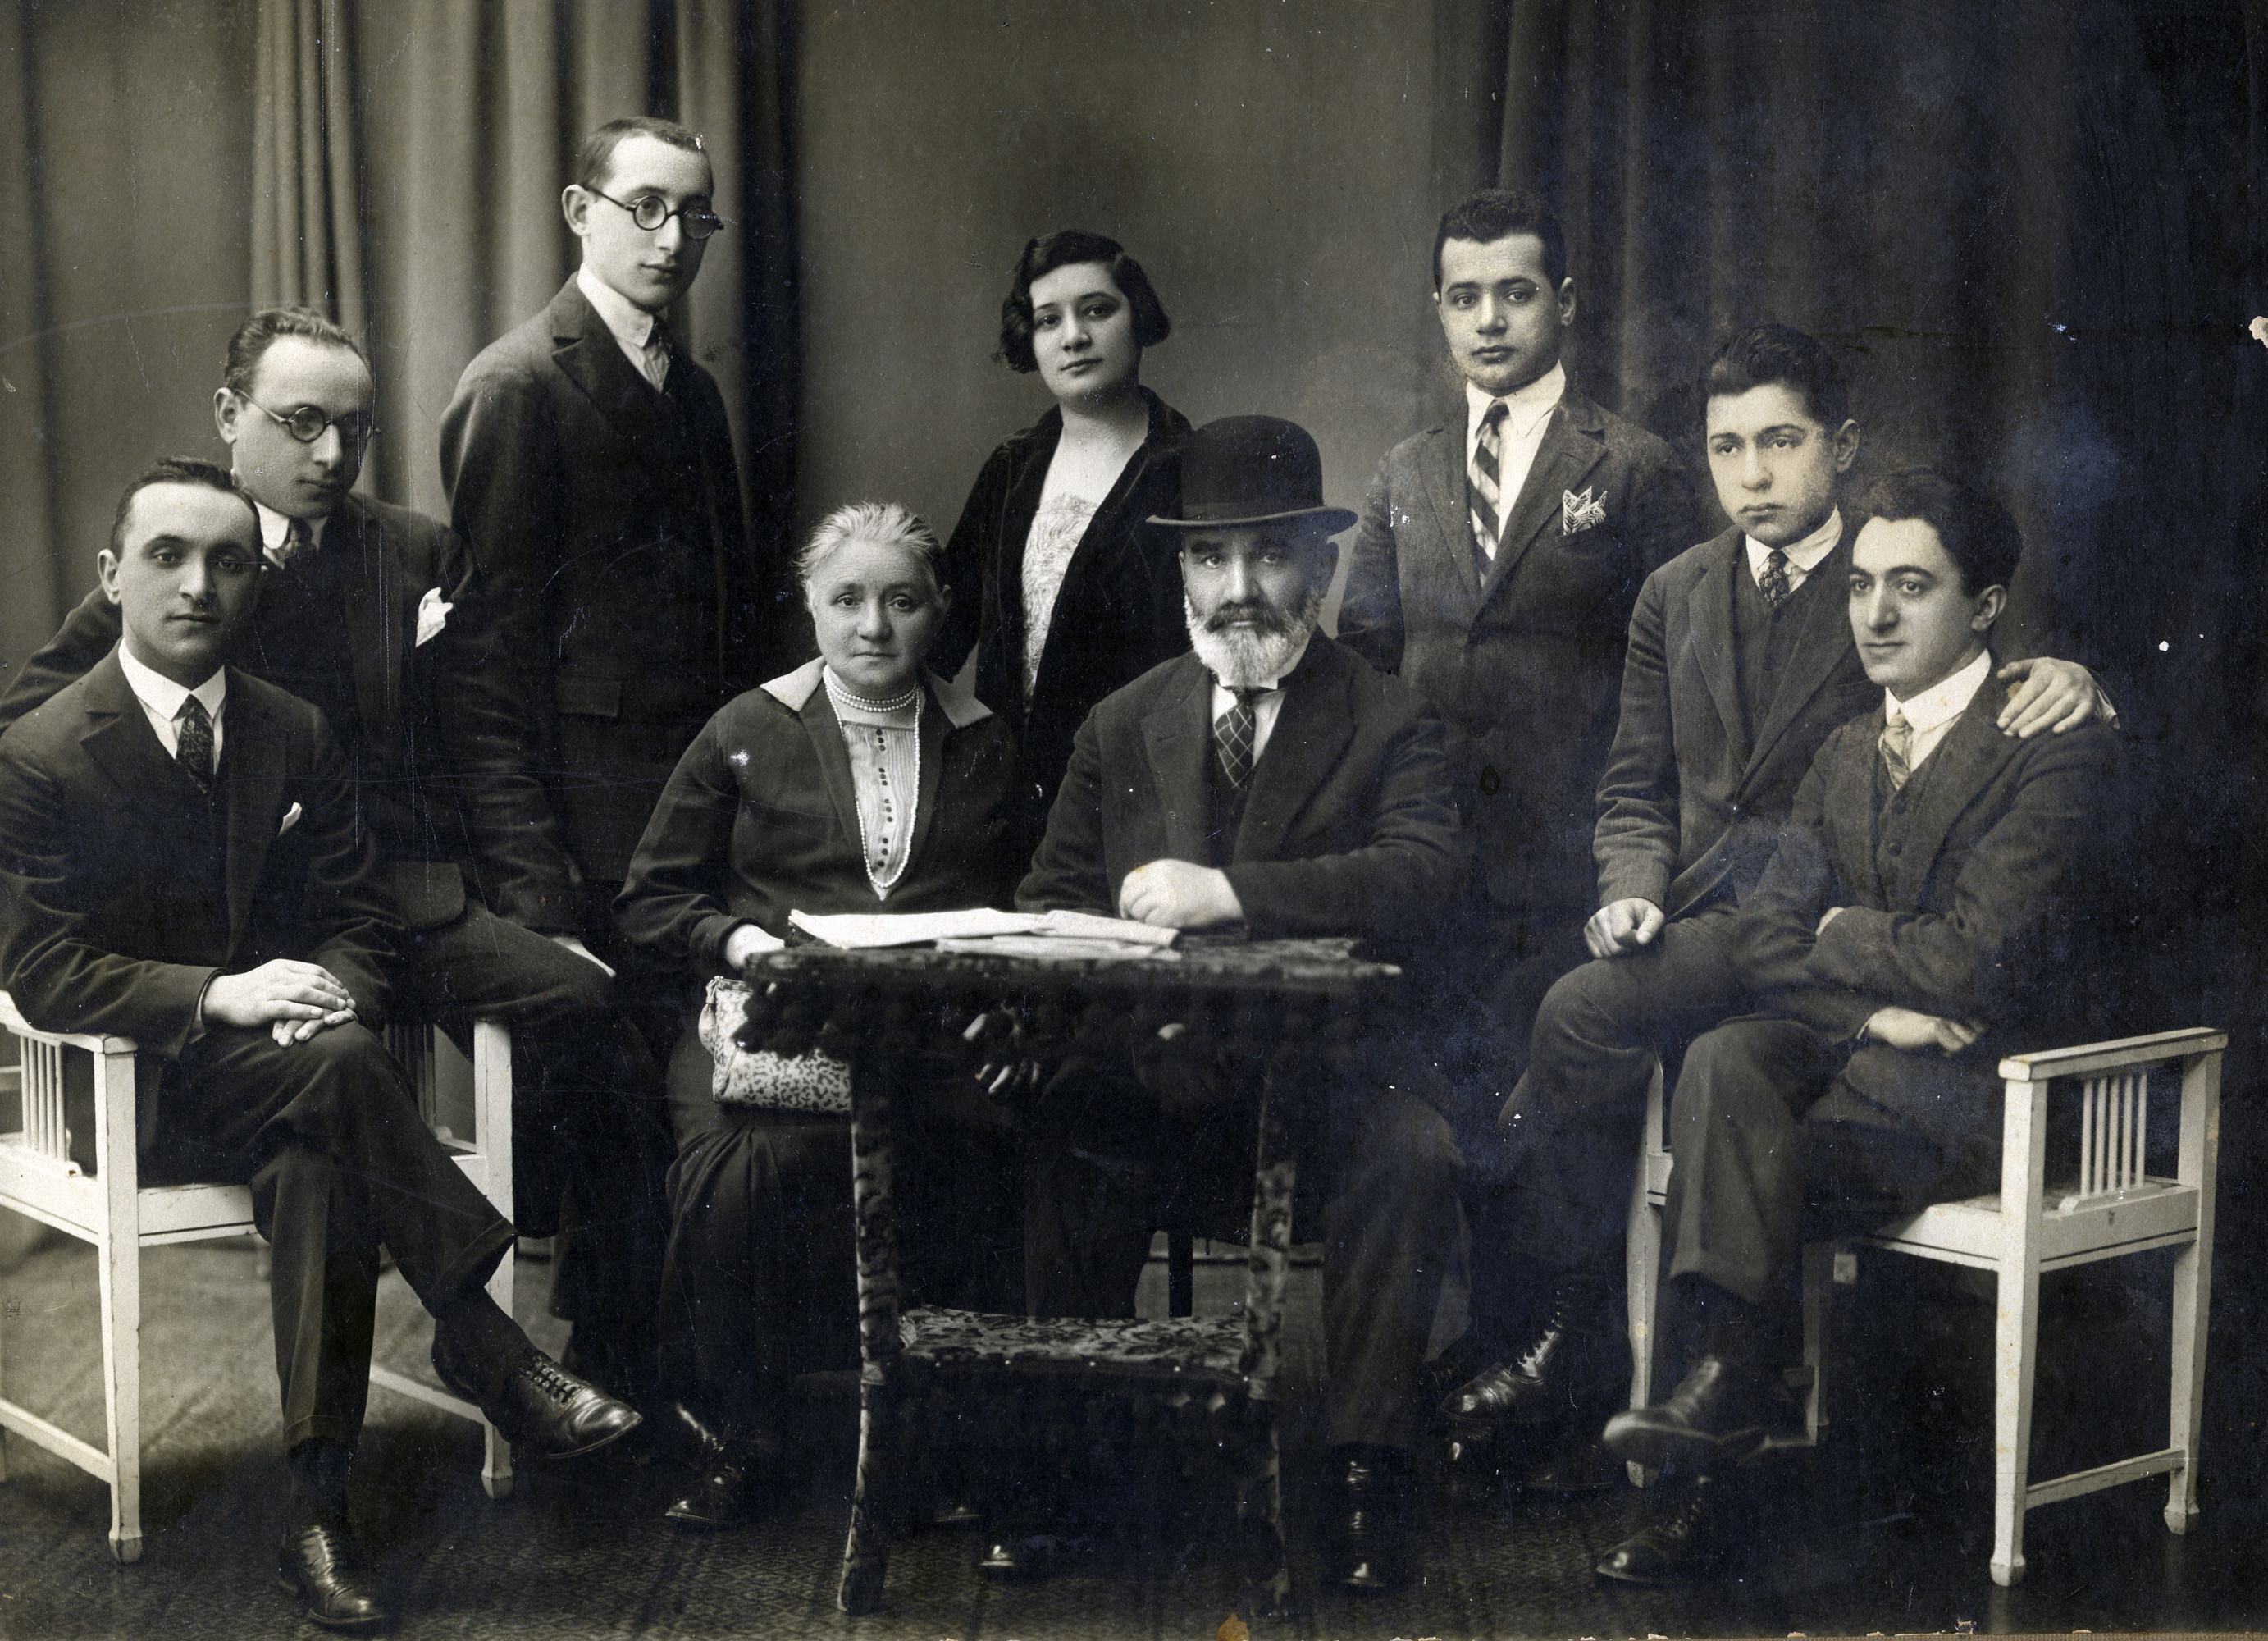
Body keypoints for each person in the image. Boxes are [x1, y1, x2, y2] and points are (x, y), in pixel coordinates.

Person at [1442, 328, 2109, 1486]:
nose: (1752, 474)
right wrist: (1631, 894)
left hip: (1824, 921)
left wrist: (2081, 679)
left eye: (1783, 442)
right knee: (1555, 1008)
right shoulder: (1678, 591)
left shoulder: (1892, 572)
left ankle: (1665, 1366)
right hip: (1722, 913)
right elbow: (1635, 780)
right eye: (1726, 448)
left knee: (1632, 1033)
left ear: (1840, 449)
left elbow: (1972, 679)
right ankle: (1573, 1323)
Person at [0, 460, 641, 1634]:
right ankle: (488, 1343)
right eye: (168, 556)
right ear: (111, 576)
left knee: (321, 1139)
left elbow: (356, 919)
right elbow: (43, 971)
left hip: (297, 1075)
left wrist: (332, 994)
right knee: (341, 1081)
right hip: (140, 1086)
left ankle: (319, 1512)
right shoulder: (41, 752)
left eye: (229, 561)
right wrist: (226, 995)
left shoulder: (292, 731)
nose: (200, 584)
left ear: (256, 583)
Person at [0, 307, 673, 1406]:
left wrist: (536, 905)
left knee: (590, 1008)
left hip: (398, 906)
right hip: (256, 937)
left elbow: (484, 738)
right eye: (301, 421)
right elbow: (50, 731)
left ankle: (607, 1347)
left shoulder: (408, 551)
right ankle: (489, 1346)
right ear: (231, 415)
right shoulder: (179, 560)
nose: (328, 455)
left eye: (352, 430)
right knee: (337, 1079)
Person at [1587, 471, 2126, 1584]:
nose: (1875, 615)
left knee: (1734, 1135)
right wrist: (1875, 996)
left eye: (1912, 587)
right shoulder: (1841, 752)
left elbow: (1975, 960)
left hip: (1979, 1099)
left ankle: (1704, 1456)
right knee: (1726, 1055)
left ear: (1982, 606)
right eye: (1862, 585)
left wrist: (1838, 932)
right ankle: (1725, 1393)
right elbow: (1759, 937)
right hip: (1863, 1061)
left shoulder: (2052, 745)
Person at [1017, 416, 1469, 1591]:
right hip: (1161, 1094)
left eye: (1268, 557)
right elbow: (1048, 902)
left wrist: (1228, 894)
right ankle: (1067, 1466)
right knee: (1060, 1127)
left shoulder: (1386, 717)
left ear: (1317, 568)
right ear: (1180, 575)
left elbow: (1422, 880)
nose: (1239, 592)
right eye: (1209, 562)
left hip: (1323, 1099)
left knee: (1411, 1149)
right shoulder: (1122, 723)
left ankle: (1371, 1477)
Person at [616, 501, 1029, 1529]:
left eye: (901, 601)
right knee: (736, 1175)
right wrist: (744, 945)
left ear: (938, 611)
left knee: (980, 1156)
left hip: (919, 1036)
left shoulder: (983, 742)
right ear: (810, 605)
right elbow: (652, 896)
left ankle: (938, 1440)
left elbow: (1027, 902)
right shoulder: (746, 727)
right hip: (762, 1029)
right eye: (846, 599)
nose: (873, 626)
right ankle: (739, 1437)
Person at [1335, 187, 1700, 1115]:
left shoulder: (1632, 465)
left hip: (1566, 859)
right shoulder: (1401, 472)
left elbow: (1676, 686)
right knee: (1427, 1115)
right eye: (1464, 298)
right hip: (1429, 863)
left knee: (1541, 1128)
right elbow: (1364, 667)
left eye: (1516, 293)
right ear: (1439, 312)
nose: (1488, 320)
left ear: (1566, 302)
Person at [440, 115, 774, 955]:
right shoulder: (516, 384)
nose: (671, 239)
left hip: (698, 829)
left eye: (693, 215)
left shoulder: (693, 391)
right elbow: (485, 666)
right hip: (583, 849)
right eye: (645, 207)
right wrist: (537, 896)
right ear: (579, 211)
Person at [936, 230, 1191, 814]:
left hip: (1133, 792)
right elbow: (945, 630)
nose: (1073, 337)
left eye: (1097, 311)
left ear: (1138, 318)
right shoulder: (1011, 466)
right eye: (1048, 320)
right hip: (1003, 794)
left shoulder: (1186, 467)